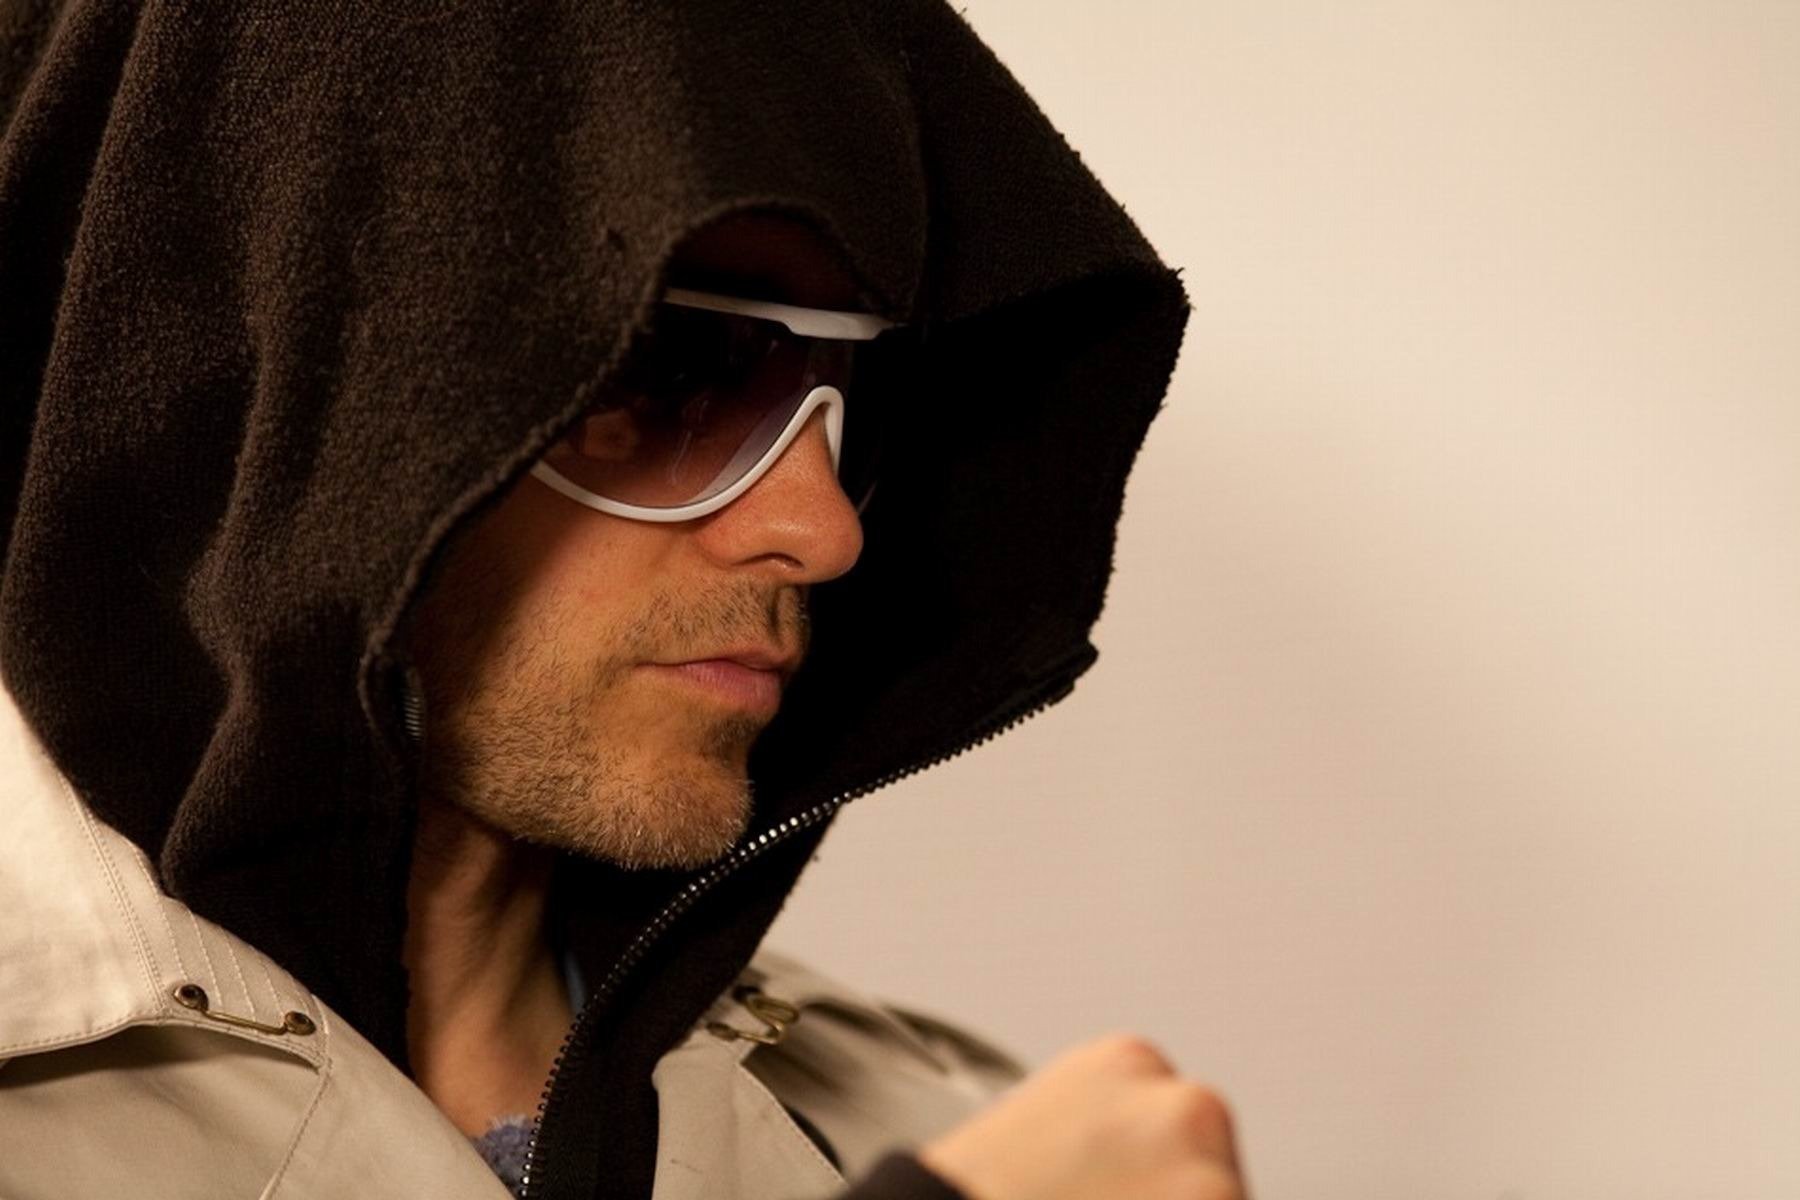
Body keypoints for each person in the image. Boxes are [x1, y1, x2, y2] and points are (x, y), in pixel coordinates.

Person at [0, 3, 1243, 1198]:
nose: (824, 531)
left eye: (853, 389)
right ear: (243, 382)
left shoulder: (938, 1124)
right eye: (662, 374)